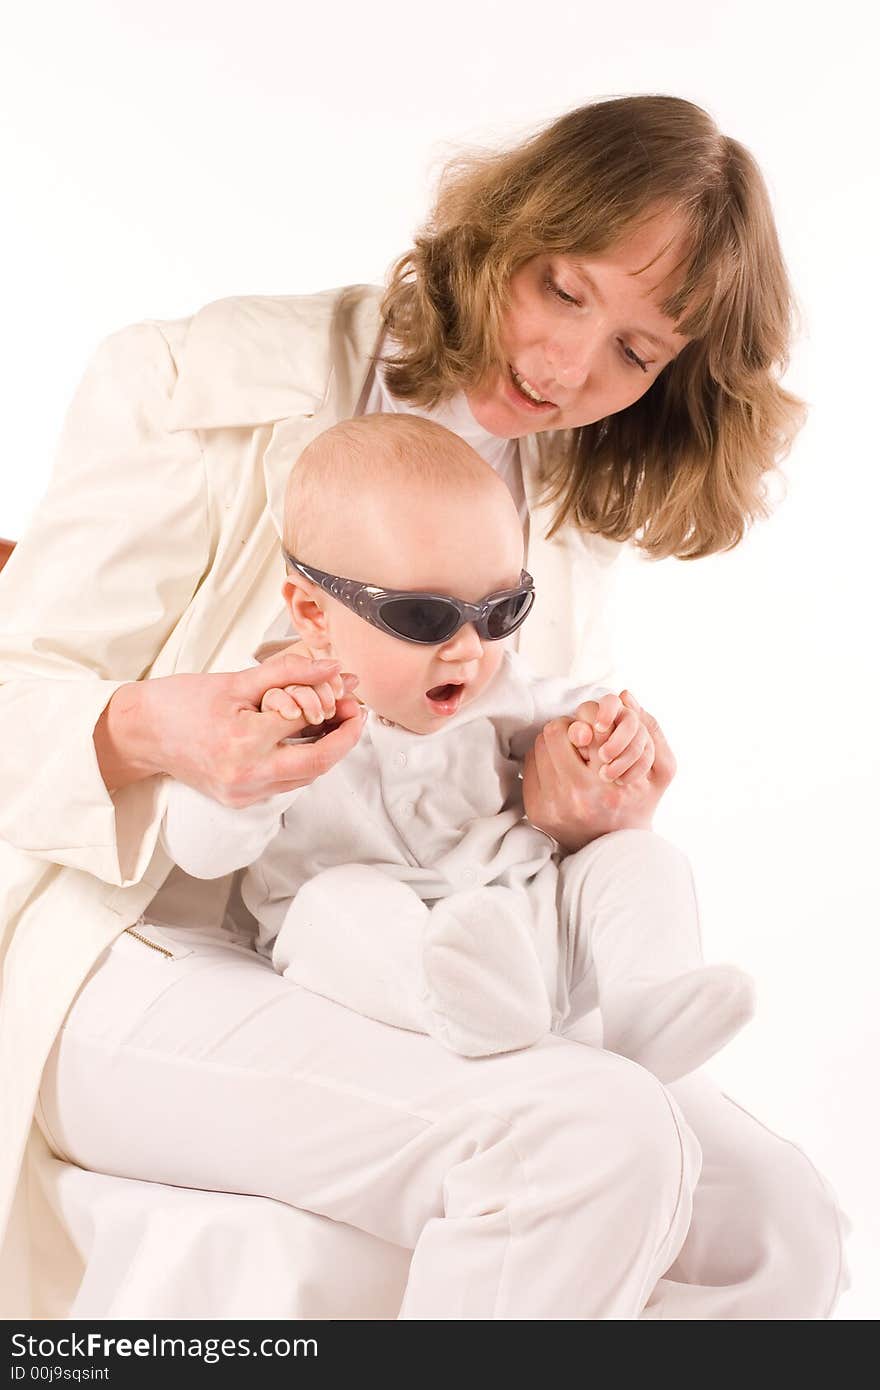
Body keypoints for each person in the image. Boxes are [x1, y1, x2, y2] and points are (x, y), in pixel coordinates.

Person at [0, 94, 850, 1319]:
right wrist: (166, 729)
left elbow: (483, 750)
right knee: (586, 1137)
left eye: (635, 351)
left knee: (776, 1222)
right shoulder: (207, 380)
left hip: (440, 946)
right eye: (562, 290)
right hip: (140, 943)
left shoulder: (562, 490)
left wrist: (568, 803)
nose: (567, 369)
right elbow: (18, 686)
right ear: (505, 228)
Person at [160, 412, 757, 1080]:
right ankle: (463, 1007)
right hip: (394, 962)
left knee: (639, 857)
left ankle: (648, 1005)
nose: (470, 650)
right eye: (424, 616)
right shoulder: (275, 718)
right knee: (333, 905)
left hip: (533, 935)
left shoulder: (504, 687)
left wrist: (610, 740)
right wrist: (252, 784)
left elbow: (580, 723)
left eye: (501, 610)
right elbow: (198, 853)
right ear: (313, 615)